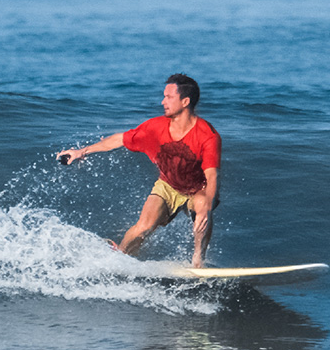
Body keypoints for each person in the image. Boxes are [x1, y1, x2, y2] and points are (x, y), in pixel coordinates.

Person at [58, 74, 220, 267]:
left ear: (185, 101)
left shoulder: (207, 135)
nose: (163, 101)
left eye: (168, 97)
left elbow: (211, 175)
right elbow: (120, 139)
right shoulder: (155, 127)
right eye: (164, 96)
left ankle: (198, 261)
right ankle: (120, 257)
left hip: (198, 188)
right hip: (168, 186)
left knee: (203, 205)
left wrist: (207, 206)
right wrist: (81, 151)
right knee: (143, 227)